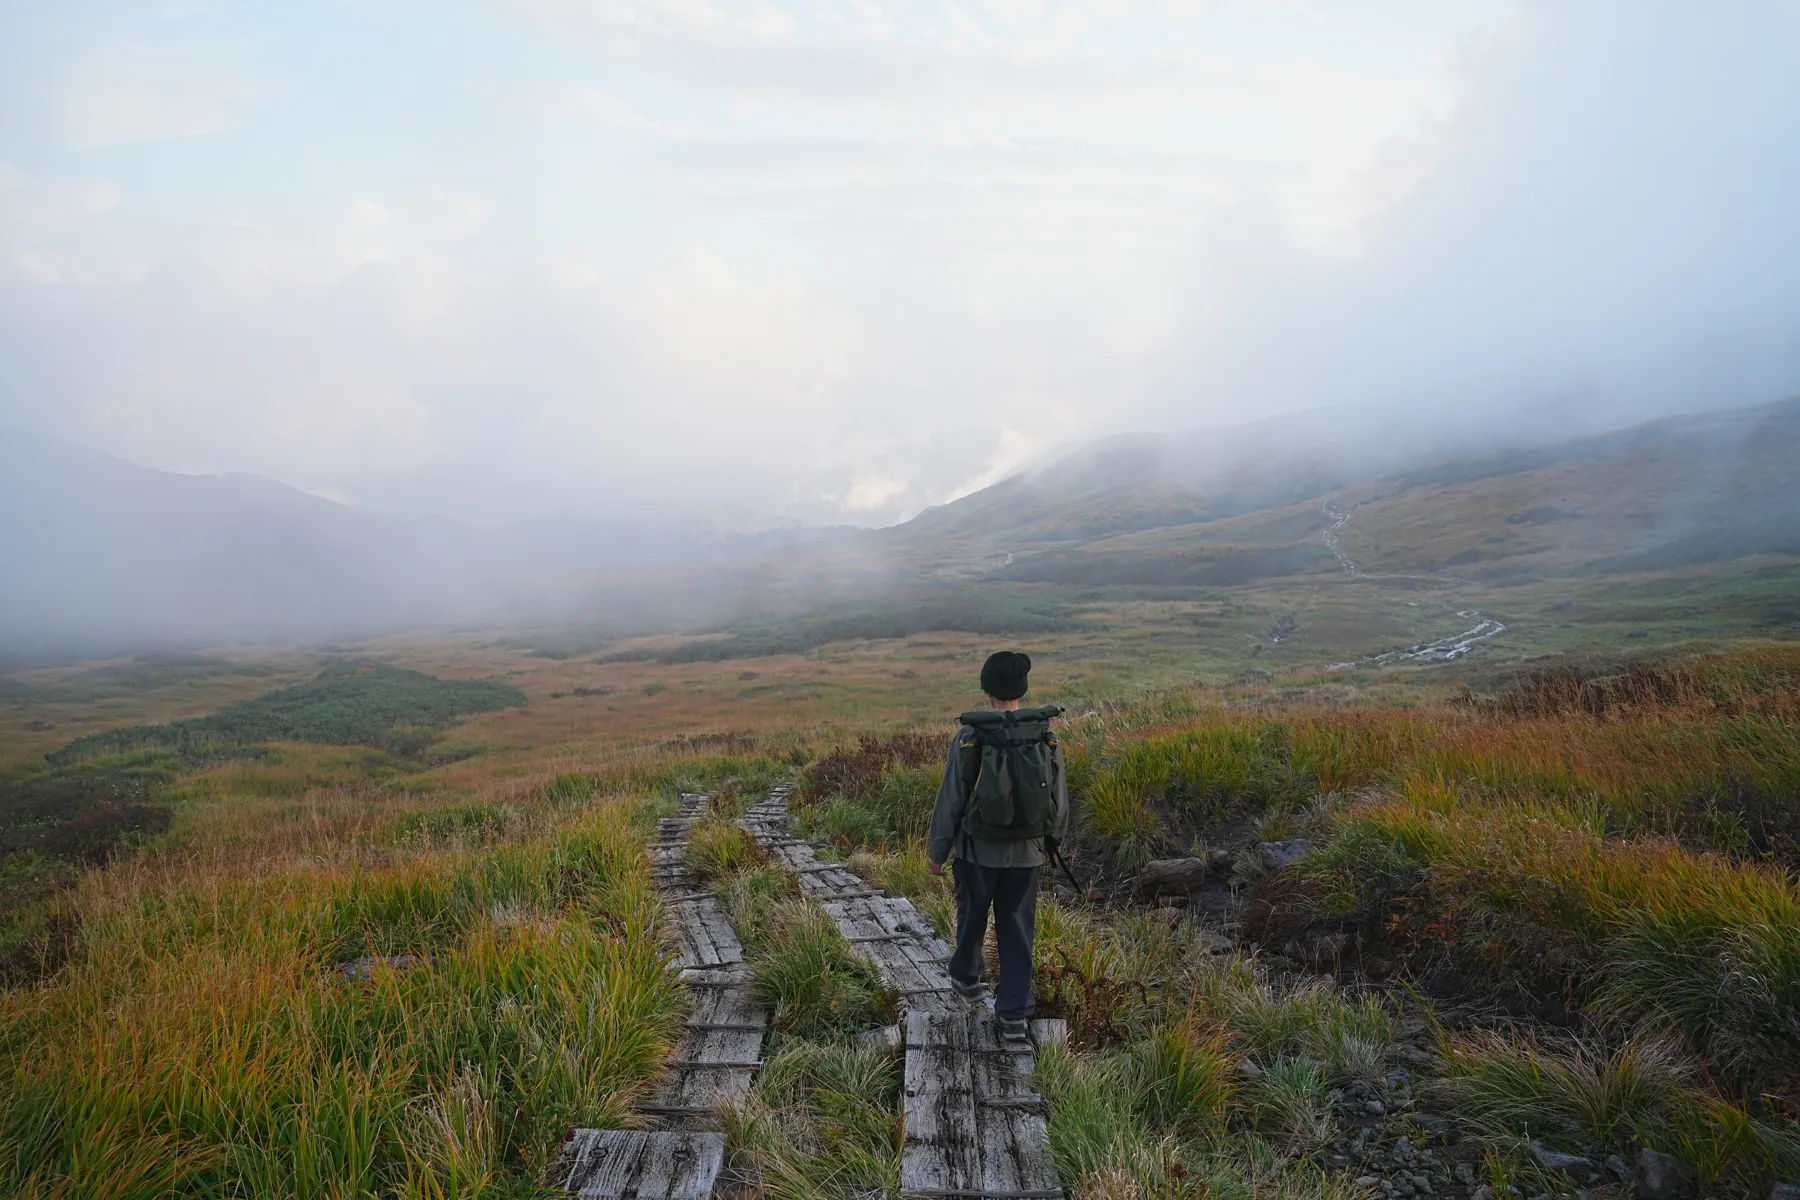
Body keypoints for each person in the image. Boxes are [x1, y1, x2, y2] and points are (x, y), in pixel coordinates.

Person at [926, 650, 1067, 1041]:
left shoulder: (972, 735)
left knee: (972, 915)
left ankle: (967, 979)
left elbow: (952, 797)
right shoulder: (1046, 735)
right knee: (1018, 928)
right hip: (1027, 854)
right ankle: (1013, 1015)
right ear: (1022, 689)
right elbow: (1058, 798)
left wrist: (938, 851)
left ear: (986, 688)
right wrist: (1050, 840)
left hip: (977, 852)